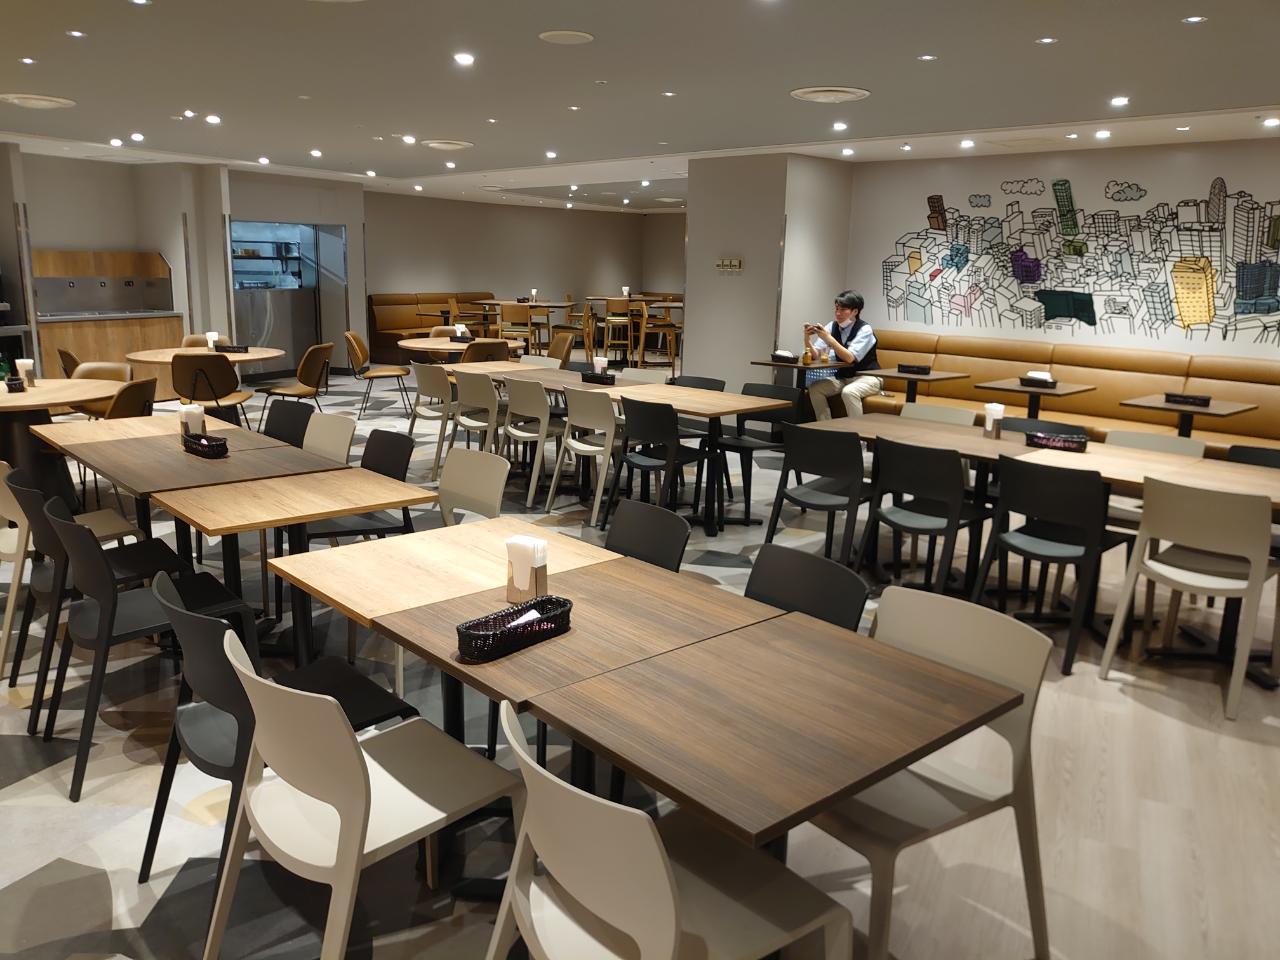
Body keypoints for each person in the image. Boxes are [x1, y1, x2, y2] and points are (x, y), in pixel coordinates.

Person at [804, 290, 882, 419]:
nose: (838, 313)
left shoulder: (865, 329)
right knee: (815, 389)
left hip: (868, 377)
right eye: (836, 309)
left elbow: (849, 358)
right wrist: (807, 339)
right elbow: (815, 355)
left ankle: (856, 431)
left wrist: (829, 339)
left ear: (855, 311)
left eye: (843, 309)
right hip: (844, 377)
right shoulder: (832, 326)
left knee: (849, 392)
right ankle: (825, 427)